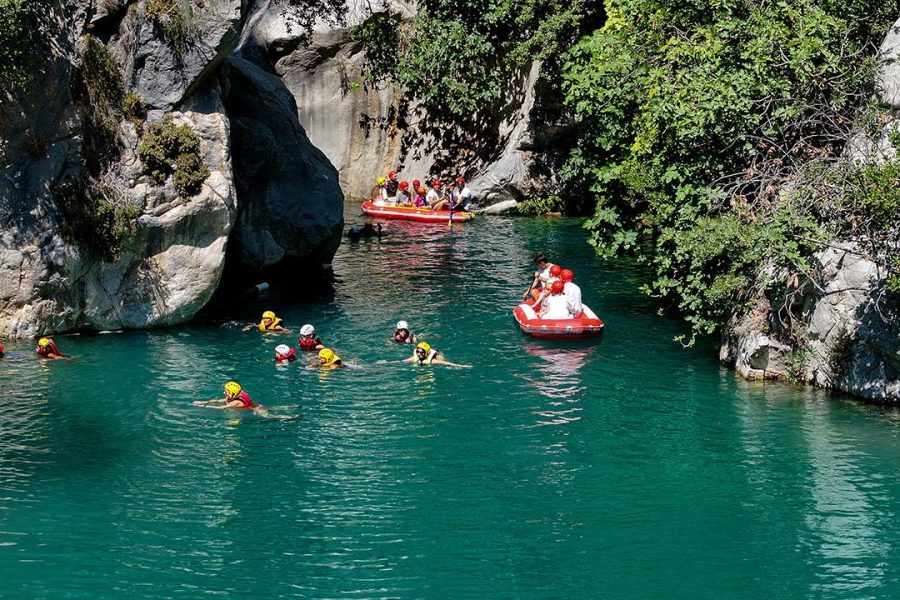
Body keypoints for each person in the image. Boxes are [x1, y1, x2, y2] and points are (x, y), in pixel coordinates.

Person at [194, 381, 260, 410]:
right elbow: (218, 401)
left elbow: (221, 407)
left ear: (232, 393)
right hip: (255, 406)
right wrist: (202, 402)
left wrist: (203, 406)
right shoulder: (234, 395)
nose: (224, 393)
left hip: (256, 409)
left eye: (226, 392)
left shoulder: (235, 402)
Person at [403, 341, 470, 367]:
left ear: (426, 353)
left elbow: (448, 363)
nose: (419, 354)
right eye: (417, 352)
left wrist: (461, 365)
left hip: (437, 356)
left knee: (442, 359)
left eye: (421, 352)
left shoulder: (433, 361)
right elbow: (404, 361)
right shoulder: (416, 357)